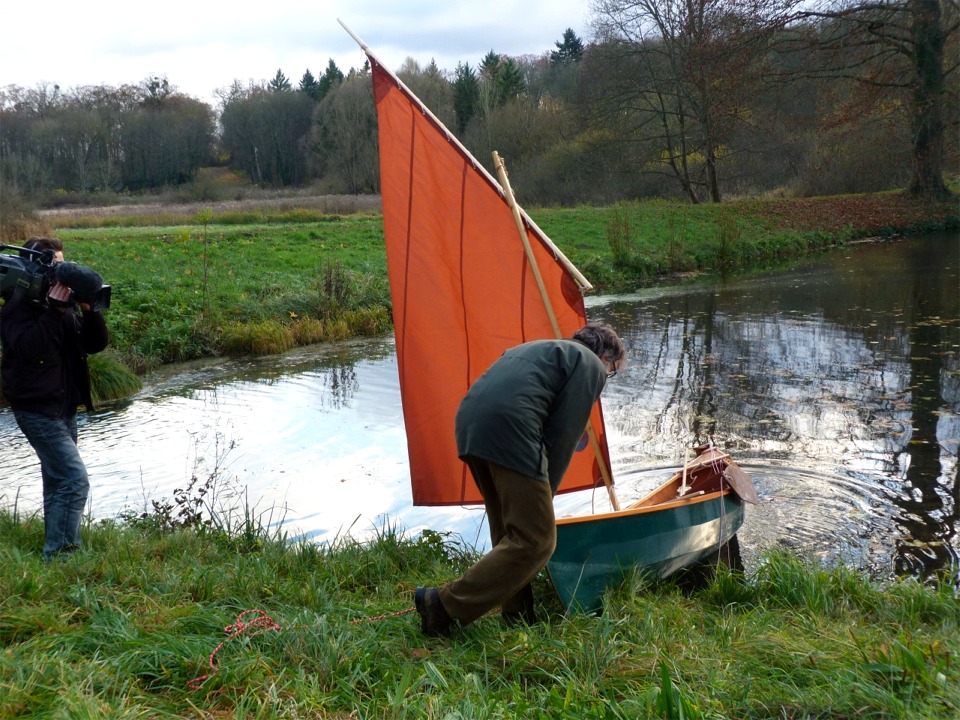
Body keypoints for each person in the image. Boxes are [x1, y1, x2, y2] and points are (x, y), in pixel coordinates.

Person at [415, 322, 626, 636]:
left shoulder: (540, 350)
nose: (606, 375)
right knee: (536, 539)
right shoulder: (589, 364)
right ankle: (443, 605)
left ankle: (518, 615)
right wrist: (543, 491)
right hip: (512, 427)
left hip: (471, 425)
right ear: (606, 356)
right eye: (612, 371)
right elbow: (563, 435)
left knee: (508, 532)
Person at [1, 237, 109, 559]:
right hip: (36, 409)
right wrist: (54, 310)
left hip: (63, 407)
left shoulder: (65, 305)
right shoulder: (16, 308)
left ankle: (57, 551)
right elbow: (27, 347)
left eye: (64, 265)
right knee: (75, 480)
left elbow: (94, 345)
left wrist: (89, 311)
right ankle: (61, 555)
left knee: (57, 481)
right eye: (55, 266)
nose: (62, 273)